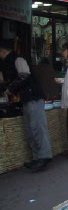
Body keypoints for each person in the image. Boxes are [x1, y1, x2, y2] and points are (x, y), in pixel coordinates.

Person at [0, 40, 52, 170]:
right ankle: (37, 157)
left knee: (37, 127)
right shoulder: (9, 62)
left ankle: (44, 156)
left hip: (33, 96)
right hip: (27, 97)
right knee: (30, 129)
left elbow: (24, 74)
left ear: (3, 51)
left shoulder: (18, 59)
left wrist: (10, 89)